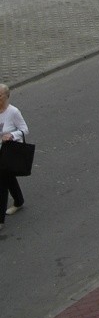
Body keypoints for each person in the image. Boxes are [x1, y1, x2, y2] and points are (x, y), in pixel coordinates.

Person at [0, 82, 29, 229]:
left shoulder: (13, 112)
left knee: (2, 184)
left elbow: (24, 130)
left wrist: (11, 135)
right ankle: (19, 201)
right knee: (8, 178)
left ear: (6, 96)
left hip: (7, 152)